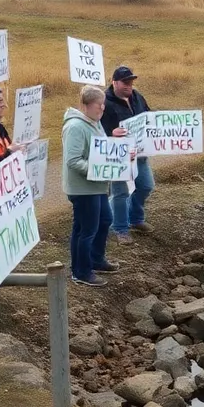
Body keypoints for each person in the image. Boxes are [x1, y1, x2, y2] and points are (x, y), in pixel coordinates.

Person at [62, 85, 118, 286]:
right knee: (86, 230)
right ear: (85, 105)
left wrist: (119, 154)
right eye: (98, 105)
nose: (102, 109)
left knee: (104, 220)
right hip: (83, 188)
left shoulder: (95, 123)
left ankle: (96, 259)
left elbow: (101, 150)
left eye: (103, 105)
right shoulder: (76, 127)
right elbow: (73, 160)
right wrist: (100, 169)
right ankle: (81, 272)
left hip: (97, 186)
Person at [101, 66, 154, 244]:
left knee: (146, 185)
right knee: (120, 192)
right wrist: (110, 133)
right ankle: (120, 228)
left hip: (139, 153)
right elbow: (96, 131)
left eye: (131, 81)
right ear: (114, 82)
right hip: (118, 156)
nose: (129, 85)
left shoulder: (137, 96)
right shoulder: (104, 102)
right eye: (125, 82)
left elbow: (148, 114)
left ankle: (136, 219)